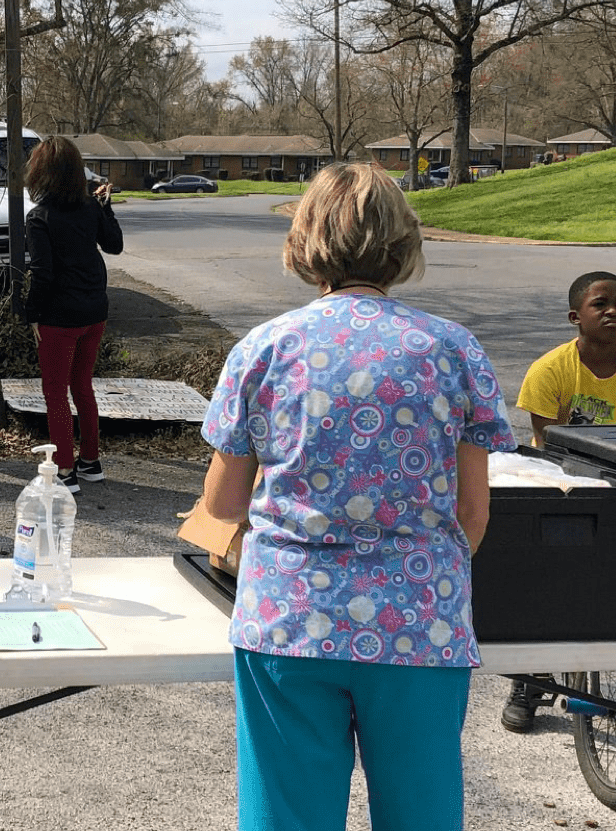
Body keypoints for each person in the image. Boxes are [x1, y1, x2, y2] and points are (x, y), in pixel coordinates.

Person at [201, 162, 516, 831]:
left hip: (290, 618)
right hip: (418, 624)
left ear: (301, 244)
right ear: (404, 246)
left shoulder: (263, 349)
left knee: (288, 817)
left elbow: (223, 507)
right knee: (421, 815)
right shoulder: (451, 350)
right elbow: (471, 513)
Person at [501, 270, 616, 733]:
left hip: (614, 482)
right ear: (576, 316)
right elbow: (547, 441)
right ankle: (530, 679)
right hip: (556, 481)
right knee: (540, 578)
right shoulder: (550, 369)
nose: (612, 311)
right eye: (600, 304)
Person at [24, 136, 124, 493]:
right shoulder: (90, 208)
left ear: (41, 172)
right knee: (82, 386)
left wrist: (30, 313)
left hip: (58, 317)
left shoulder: (39, 218)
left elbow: (43, 273)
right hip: (95, 310)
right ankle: (90, 461)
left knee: (55, 393)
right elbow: (114, 245)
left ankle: (64, 470)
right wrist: (105, 207)